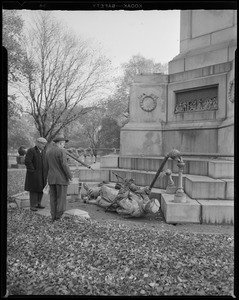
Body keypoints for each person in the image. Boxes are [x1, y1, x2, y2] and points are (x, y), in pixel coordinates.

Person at [45, 135, 72, 222]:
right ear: (60, 143)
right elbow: (64, 165)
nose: (64, 145)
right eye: (64, 143)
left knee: (53, 198)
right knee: (61, 198)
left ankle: (53, 216)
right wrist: (70, 176)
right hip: (61, 179)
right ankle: (58, 217)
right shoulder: (61, 151)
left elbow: (46, 166)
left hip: (51, 178)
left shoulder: (48, 152)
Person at [24, 137, 48, 211]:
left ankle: (38, 203)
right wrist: (32, 171)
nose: (44, 145)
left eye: (45, 144)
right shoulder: (31, 150)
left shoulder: (44, 151)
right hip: (34, 174)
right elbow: (28, 161)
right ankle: (33, 205)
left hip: (42, 174)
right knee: (34, 189)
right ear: (37, 143)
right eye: (42, 143)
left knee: (41, 188)